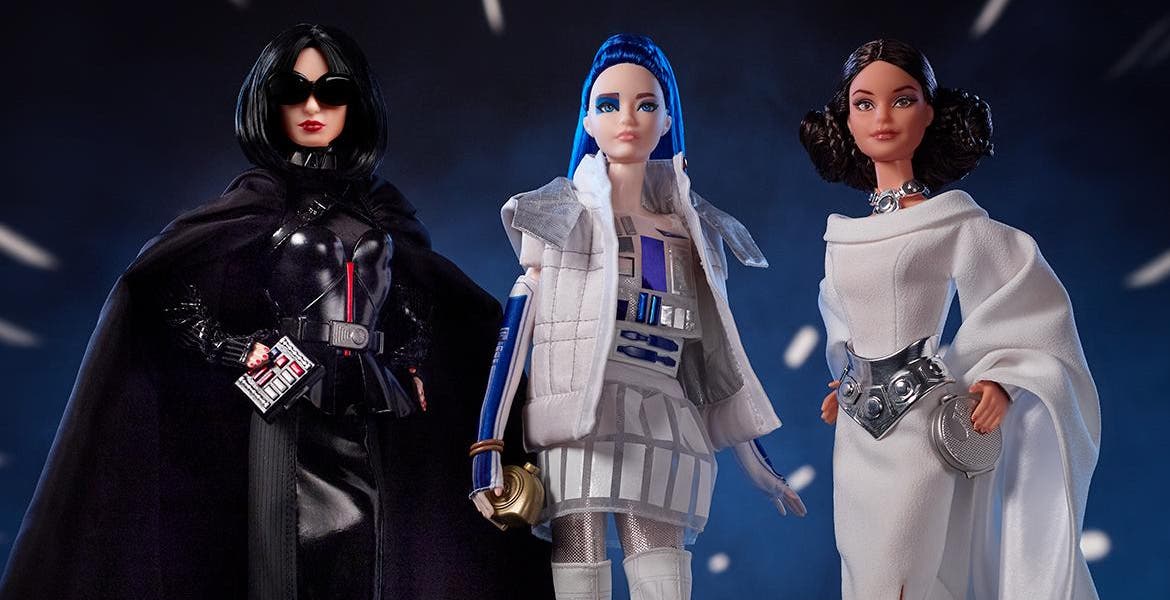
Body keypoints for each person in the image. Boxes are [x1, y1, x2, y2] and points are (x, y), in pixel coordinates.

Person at [0, 23, 551, 600]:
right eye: (294, 91)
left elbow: (418, 300)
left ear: (356, 102)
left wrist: (413, 360)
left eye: (331, 91)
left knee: (375, 557)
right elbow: (163, 289)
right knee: (288, 561)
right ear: (270, 102)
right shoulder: (256, 205)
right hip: (289, 403)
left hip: (371, 409)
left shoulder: (384, 212)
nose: (312, 107)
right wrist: (235, 348)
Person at [470, 34, 805, 600]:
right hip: (577, 419)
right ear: (587, 120)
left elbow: (717, 361)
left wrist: (758, 461)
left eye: (645, 104)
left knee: (662, 578)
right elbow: (515, 333)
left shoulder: (690, 231)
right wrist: (487, 449)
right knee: (580, 572)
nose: (627, 118)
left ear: (667, 119)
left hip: (664, 418)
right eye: (609, 104)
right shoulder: (557, 217)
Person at [799, 39, 1100, 599]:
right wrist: (847, 379)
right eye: (864, 103)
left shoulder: (951, 223)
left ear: (930, 114)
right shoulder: (843, 236)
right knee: (864, 572)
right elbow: (840, 314)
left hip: (919, 421)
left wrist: (1003, 378)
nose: (882, 117)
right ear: (846, 118)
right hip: (857, 434)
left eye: (902, 100)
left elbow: (1025, 298)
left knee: (905, 573)